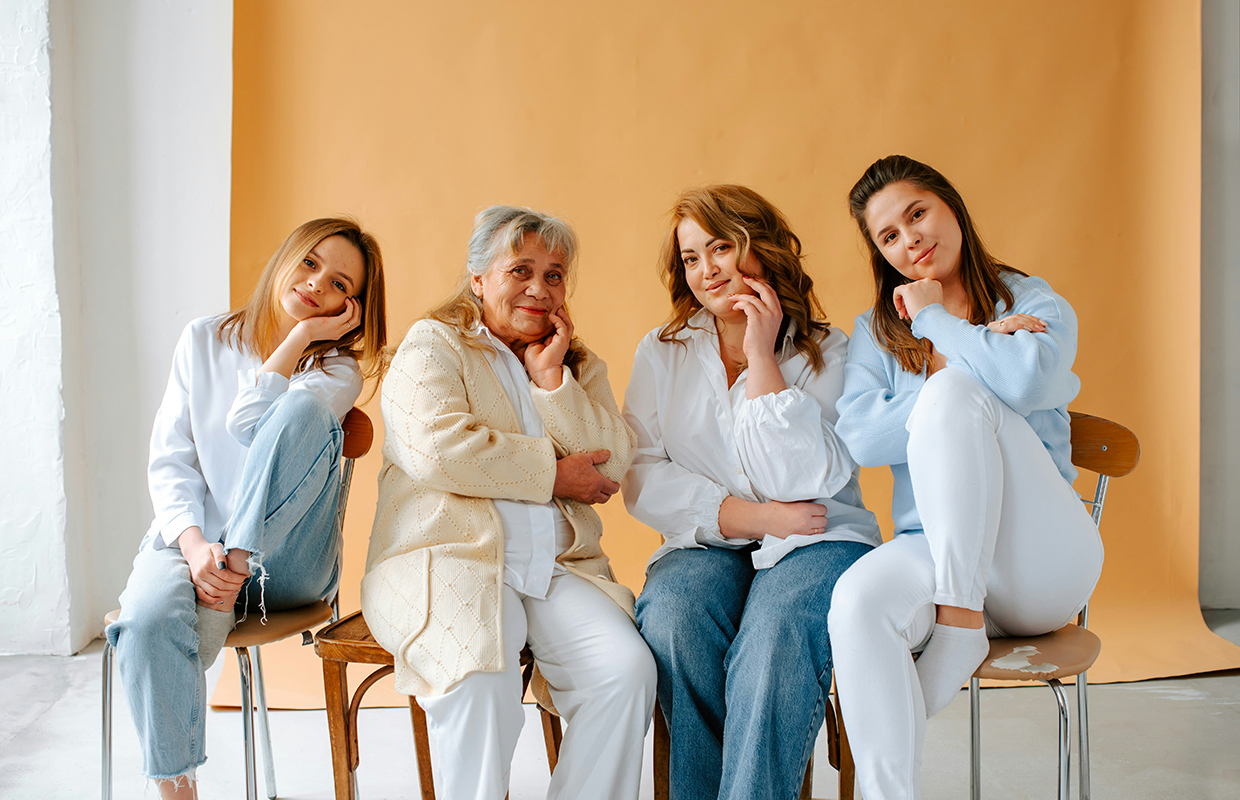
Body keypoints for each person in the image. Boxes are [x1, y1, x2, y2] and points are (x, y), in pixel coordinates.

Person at [829, 155, 1103, 799]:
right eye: (888, 236)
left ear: (951, 206)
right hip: (934, 544)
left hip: (1039, 564)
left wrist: (939, 328)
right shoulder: (874, 331)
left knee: (952, 389)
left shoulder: (1031, 300)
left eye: (917, 213)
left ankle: (957, 625)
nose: (910, 239)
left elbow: (1032, 379)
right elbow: (860, 436)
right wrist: (989, 359)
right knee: (857, 602)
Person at [361, 206, 656, 800]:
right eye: (520, 269)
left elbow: (613, 464)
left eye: (554, 275)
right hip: (445, 558)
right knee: (480, 677)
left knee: (625, 672)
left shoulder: (577, 364)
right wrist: (553, 474)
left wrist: (551, 382)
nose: (539, 288)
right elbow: (439, 451)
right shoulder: (433, 345)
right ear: (477, 278)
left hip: (555, 567)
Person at [107, 217, 389, 798]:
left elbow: (250, 422)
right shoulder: (203, 339)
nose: (316, 284)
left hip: (283, 566)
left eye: (338, 284)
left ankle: (230, 569)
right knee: (144, 618)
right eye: (310, 263)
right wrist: (190, 545)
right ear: (286, 255)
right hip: (194, 543)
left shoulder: (336, 370)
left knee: (298, 412)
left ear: (351, 307)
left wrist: (299, 339)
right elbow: (171, 461)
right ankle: (177, 787)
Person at [624, 185, 880, 800]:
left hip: (821, 539)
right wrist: (754, 516)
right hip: (707, 539)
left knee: (774, 638)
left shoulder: (830, 351)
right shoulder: (663, 354)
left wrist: (763, 356)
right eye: (690, 257)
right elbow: (641, 474)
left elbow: (805, 483)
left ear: (761, 251)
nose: (706, 270)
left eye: (721, 247)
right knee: (675, 619)